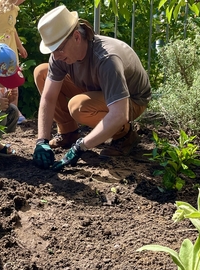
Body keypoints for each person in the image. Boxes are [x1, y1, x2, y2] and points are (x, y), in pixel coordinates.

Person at [32, 5, 151, 171]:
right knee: (42, 73)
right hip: (99, 91)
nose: (56, 56)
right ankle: (68, 133)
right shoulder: (60, 56)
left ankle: (124, 134)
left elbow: (119, 113)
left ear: (76, 37)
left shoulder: (106, 59)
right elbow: (48, 97)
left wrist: (81, 146)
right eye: (52, 50)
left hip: (130, 100)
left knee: (79, 107)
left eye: (59, 49)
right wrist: (41, 141)